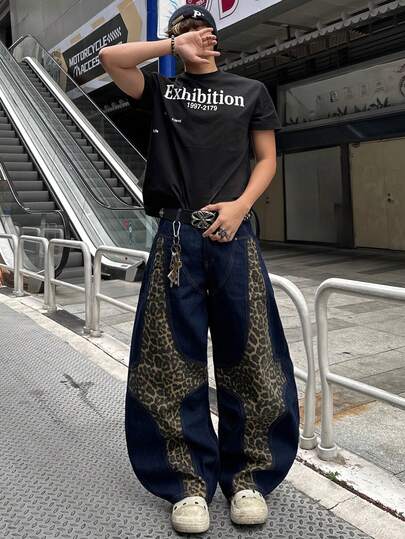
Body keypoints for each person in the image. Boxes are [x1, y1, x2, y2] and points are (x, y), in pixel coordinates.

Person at [99, 5, 300, 535]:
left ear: (216, 36)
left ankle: (248, 478)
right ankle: (186, 484)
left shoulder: (250, 91)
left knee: (251, 353)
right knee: (168, 359)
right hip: (176, 236)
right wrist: (171, 48)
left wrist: (241, 207)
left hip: (235, 234)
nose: (193, 36)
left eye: (199, 29)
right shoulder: (162, 91)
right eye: (182, 30)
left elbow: (266, 159)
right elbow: (111, 57)